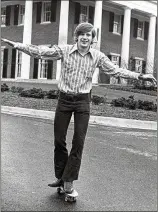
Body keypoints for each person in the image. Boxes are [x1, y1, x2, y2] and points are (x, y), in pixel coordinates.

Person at [2, 22, 157, 195]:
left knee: (78, 142)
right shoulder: (65, 50)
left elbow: (116, 71)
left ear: (92, 39)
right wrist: (17, 45)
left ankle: (68, 182)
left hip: (83, 101)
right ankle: (61, 177)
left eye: (89, 35)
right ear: (77, 36)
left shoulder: (97, 56)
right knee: (59, 140)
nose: (85, 37)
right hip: (64, 100)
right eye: (82, 34)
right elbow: (40, 52)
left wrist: (141, 76)